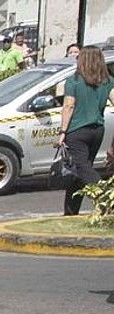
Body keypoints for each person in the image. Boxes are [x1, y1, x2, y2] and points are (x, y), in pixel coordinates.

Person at [57, 47, 114, 216]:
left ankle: (106, 197)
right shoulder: (108, 80)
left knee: (82, 169)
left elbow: (69, 106)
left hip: (76, 131)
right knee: (78, 171)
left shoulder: (73, 81)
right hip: (97, 130)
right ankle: (70, 212)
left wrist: (62, 132)